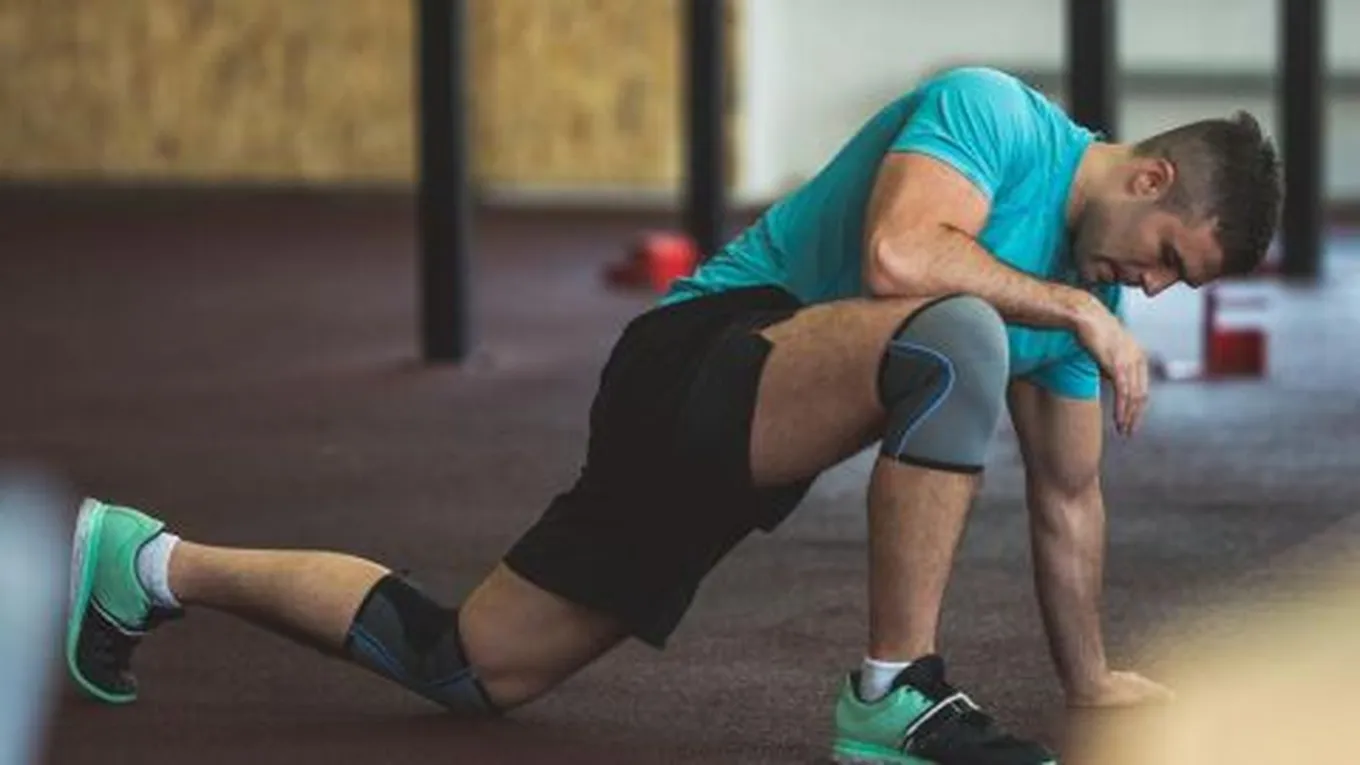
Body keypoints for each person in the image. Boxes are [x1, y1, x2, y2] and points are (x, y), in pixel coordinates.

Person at [63, 66, 1281, 765]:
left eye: (1172, 286)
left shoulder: (1077, 307)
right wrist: (1071, 310)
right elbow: (902, 257)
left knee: (470, 665)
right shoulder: (995, 116)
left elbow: (1068, 498)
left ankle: (148, 561)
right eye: (1166, 259)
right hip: (699, 354)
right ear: (1149, 178)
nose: (1148, 291)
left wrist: (1091, 680)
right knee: (958, 333)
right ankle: (892, 692)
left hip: (745, 436)